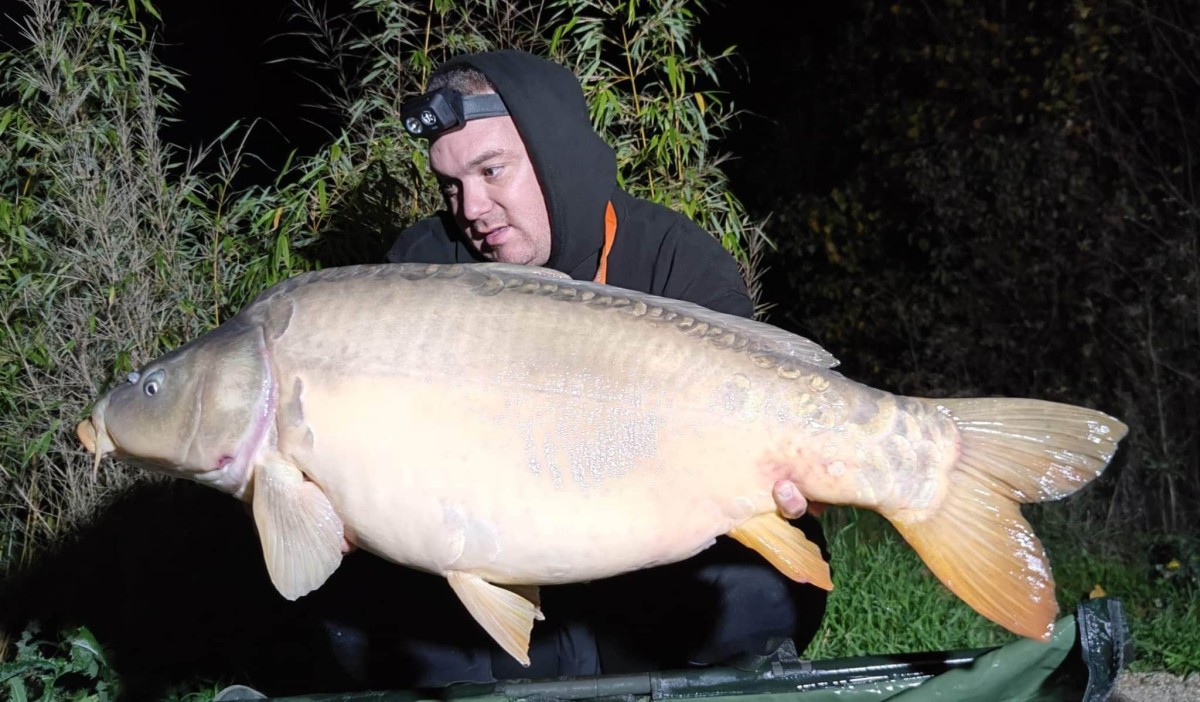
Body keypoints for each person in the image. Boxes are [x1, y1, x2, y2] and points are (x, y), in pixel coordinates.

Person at [317, 48, 829, 689]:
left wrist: (786, 474)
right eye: (451, 184)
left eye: (492, 170)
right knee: (359, 609)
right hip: (501, 565)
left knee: (761, 586)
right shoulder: (422, 268)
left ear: (553, 155)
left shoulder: (673, 257)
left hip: (650, 574)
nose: (470, 207)